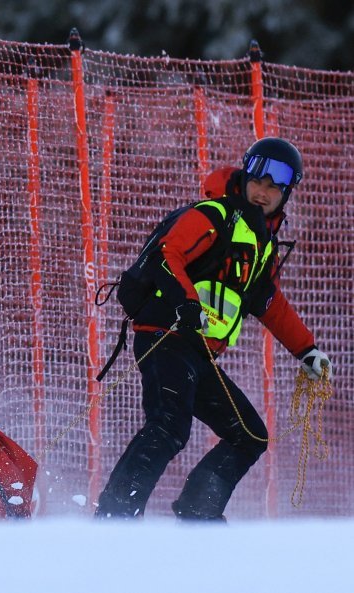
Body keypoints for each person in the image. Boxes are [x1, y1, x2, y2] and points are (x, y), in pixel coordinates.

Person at [95, 137, 332, 520]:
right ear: (244, 176)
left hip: (197, 351)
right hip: (166, 336)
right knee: (169, 426)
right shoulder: (213, 216)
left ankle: (197, 513)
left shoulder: (260, 245)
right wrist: (186, 303)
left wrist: (307, 350)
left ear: (286, 194)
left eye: (275, 187)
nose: (264, 192)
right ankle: (114, 517)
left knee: (249, 435)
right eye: (259, 181)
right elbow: (165, 256)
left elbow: (267, 302)